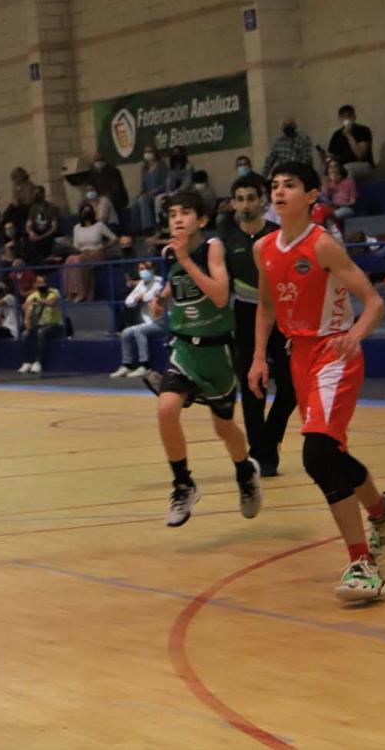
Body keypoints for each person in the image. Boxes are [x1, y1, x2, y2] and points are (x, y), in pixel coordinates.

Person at [251, 162, 385, 601]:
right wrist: (257, 358)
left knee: (317, 452)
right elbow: (265, 307)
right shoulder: (263, 247)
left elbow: (374, 302)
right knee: (332, 450)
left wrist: (355, 335)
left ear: (311, 197)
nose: (280, 191)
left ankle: (363, 564)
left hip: (333, 353)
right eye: (275, 186)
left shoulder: (323, 246)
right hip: (298, 357)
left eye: (290, 185)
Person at [146, 191, 261, 528]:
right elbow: (176, 282)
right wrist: (161, 299)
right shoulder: (173, 254)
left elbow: (221, 294)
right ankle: (183, 483)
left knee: (224, 428)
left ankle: (245, 472)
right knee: (166, 408)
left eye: (185, 213)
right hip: (184, 349)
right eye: (172, 214)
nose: (177, 219)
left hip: (217, 351)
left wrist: (185, 260)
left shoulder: (211, 247)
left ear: (202, 219)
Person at [222, 174, 295, 476]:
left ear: (262, 200)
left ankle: (270, 438)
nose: (246, 204)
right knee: (253, 387)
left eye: (251, 197)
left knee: (292, 387)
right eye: (240, 199)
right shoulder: (228, 242)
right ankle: (260, 456)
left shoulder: (279, 235)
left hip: (281, 316)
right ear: (233, 203)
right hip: (244, 316)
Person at [110, 261, 164, 378]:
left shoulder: (159, 282)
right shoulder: (141, 284)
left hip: (161, 323)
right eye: (140, 269)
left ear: (153, 269)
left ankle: (145, 366)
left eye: (145, 268)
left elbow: (150, 296)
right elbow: (128, 302)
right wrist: (138, 298)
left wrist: (141, 297)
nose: (143, 271)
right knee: (125, 333)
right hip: (147, 323)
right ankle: (127, 365)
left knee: (139, 331)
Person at [63, 203, 117, 302]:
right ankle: (70, 293)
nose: (86, 213)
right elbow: (76, 245)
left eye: (88, 211)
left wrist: (103, 247)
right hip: (83, 253)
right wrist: (70, 245)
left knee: (79, 260)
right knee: (69, 259)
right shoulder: (77, 227)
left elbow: (114, 238)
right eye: (84, 211)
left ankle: (81, 293)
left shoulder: (99, 225)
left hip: (97, 253)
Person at [17, 275, 63, 375]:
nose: (42, 285)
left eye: (44, 283)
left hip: (54, 324)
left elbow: (53, 302)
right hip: (38, 324)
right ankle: (27, 362)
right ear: (35, 285)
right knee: (25, 334)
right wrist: (27, 321)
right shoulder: (33, 295)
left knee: (41, 332)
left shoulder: (53, 292)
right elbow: (25, 308)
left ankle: (38, 362)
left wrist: (38, 301)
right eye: (39, 283)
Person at [320, 104, 373, 180]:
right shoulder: (337, 135)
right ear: (340, 119)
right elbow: (332, 156)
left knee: (347, 169)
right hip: (343, 165)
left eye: (349, 116)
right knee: (325, 170)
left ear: (354, 117)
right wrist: (325, 158)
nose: (346, 119)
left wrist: (349, 135)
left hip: (363, 165)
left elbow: (360, 155)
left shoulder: (363, 130)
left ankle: (347, 190)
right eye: (343, 117)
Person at [133, 146, 168, 234]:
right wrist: (140, 191)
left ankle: (149, 227)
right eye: (146, 152)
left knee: (143, 200)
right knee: (134, 202)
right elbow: (143, 184)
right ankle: (136, 229)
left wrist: (155, 191)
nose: (147, 154)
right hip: (148, 194)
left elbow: (166, 183)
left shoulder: (161, 165)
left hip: (160, 193)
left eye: (150, 152)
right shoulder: (144, 168)